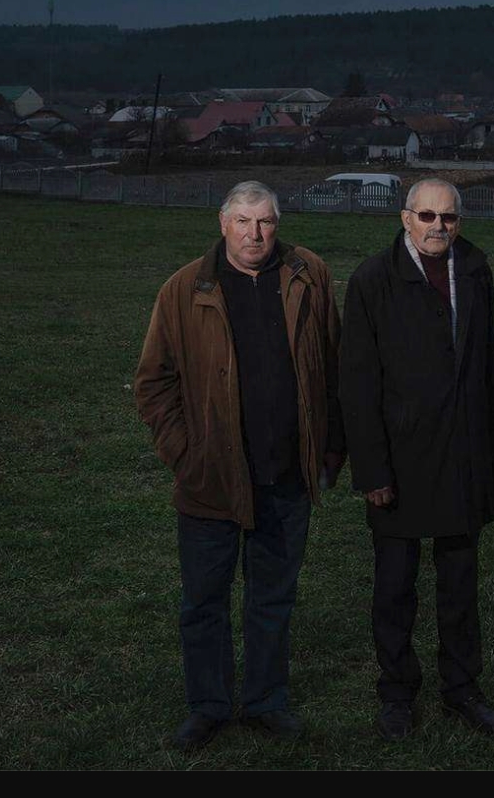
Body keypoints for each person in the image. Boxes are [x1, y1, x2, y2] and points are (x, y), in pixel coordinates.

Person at [134, 181, 344, 750]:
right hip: (212, 480)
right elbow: (153, 382)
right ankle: (208, 706)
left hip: (286, 475)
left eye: (266, 221)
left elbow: (335, 364)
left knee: (272, 598)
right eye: (244, 222)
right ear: (223, 224)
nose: (255, 234)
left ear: (278, 224)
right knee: (204, 600)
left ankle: (265, 701)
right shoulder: (184, 289)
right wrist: (185, 454)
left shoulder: (308, 274)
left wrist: (329, 449)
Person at [339, 177, 494, 741]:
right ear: (405, 218)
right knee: (395, 587)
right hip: (400, 461)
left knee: (460, 584)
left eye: (449, 217)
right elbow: (357, 383)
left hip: (463, 454)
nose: (439, 226)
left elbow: (488, 362)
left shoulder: (476, 270)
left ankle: (462, 687)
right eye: (428, 216)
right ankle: (396, 693)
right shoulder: (372, 279)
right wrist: (372, 470)